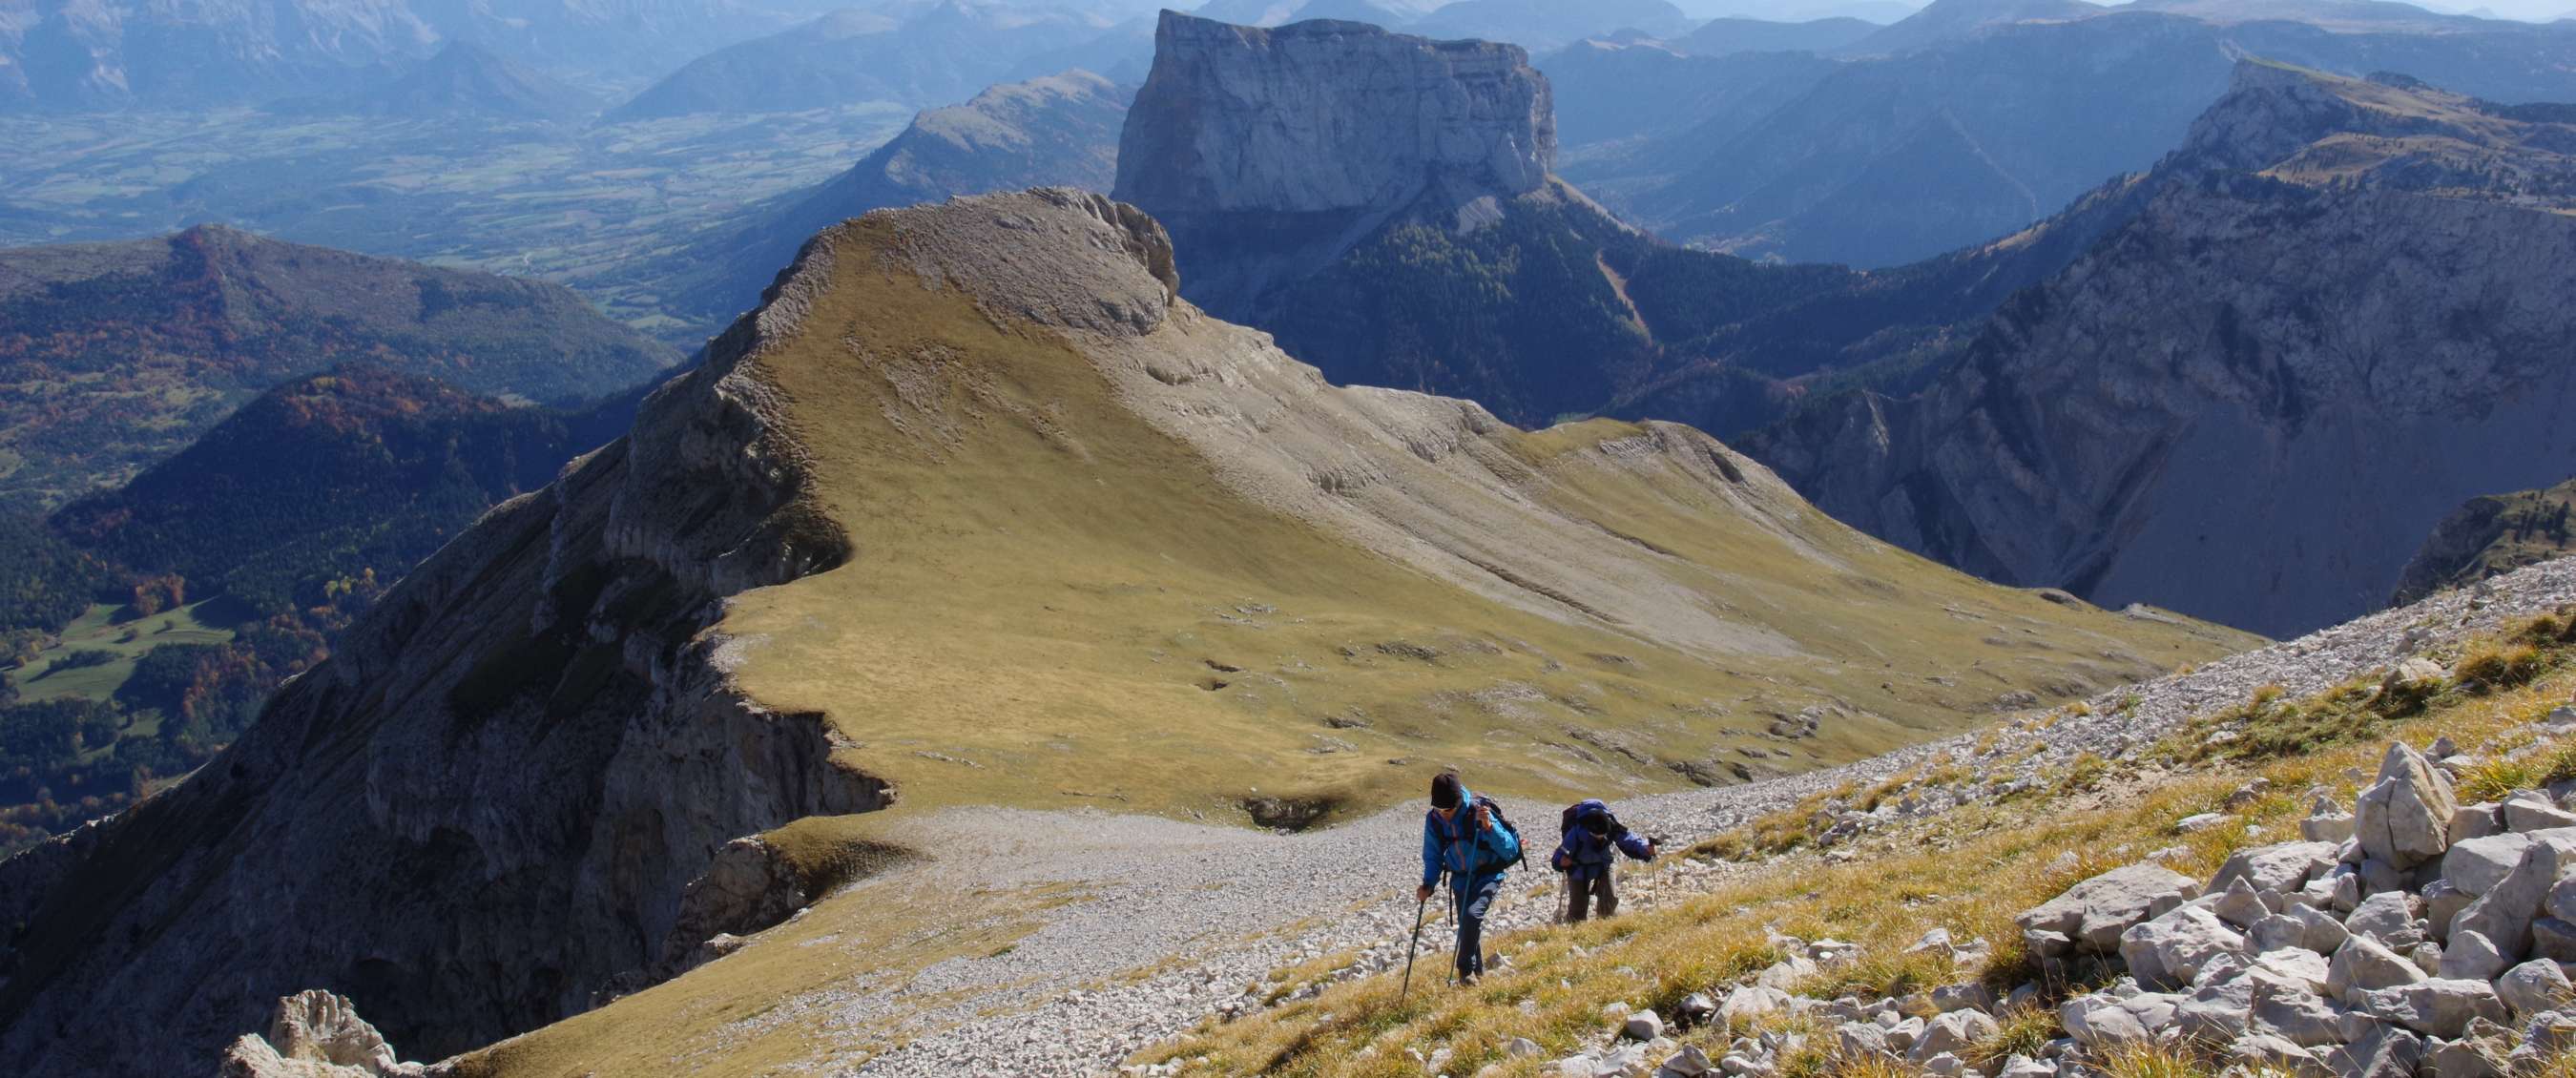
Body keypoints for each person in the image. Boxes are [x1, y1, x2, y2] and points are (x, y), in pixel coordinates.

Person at [1417, 772, 1520, 985]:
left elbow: (1510, 850)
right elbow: (1433, 855)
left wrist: (1489, 828)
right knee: (1467, 926)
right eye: (1439, 809)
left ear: (1458, 803)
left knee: (1472, 916)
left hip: (1488, 874)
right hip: (1461, 878)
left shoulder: (1478, 811)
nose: (1444, 814)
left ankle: (1464, 972)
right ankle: (1477, 975)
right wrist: (1428, 883)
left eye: (1448, 810)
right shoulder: (1434, 819)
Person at [1550, 798, 1655, 923]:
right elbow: (1559, 854)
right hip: (1579, 868)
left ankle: (1604, 925)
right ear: (1589, 831)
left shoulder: (1611, 825)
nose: (1600, 839)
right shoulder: (1575, 832)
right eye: (1597, 836)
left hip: (1603, 865)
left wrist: (1645, 848)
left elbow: (1629, 839)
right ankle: (1574, 929)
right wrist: (1561, 861)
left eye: (1603, 836)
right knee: (1577, 911)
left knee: (1610, 899)